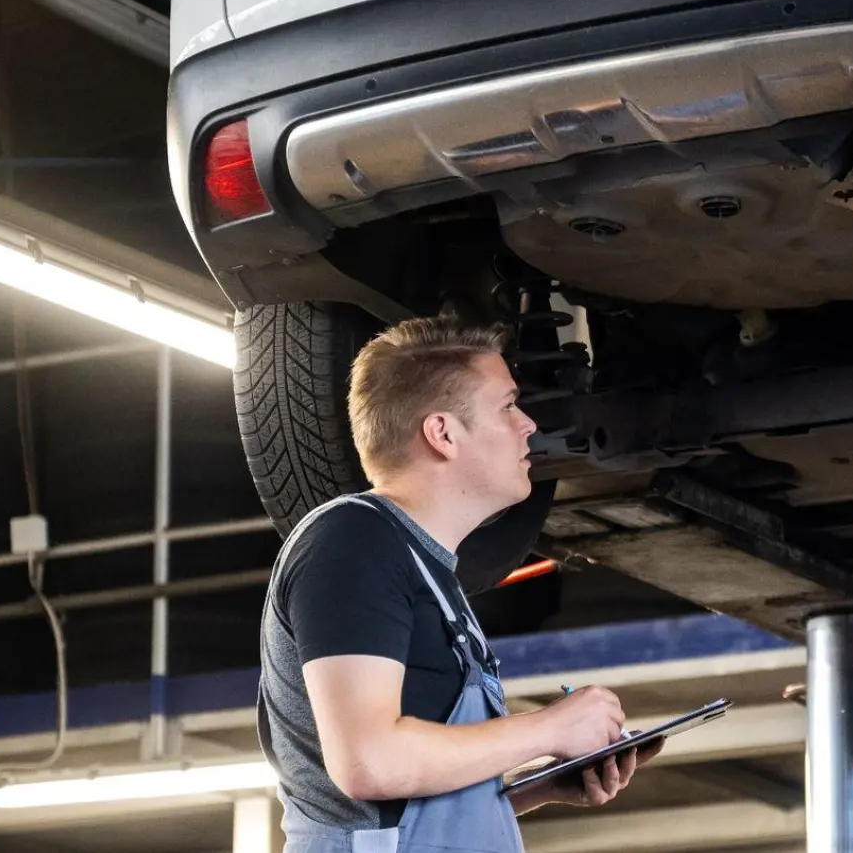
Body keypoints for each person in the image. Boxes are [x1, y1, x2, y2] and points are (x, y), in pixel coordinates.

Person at [256, 316, 660, 853]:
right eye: (508, 406)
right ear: (443, 433)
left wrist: (535, 784)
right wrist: (549, 728)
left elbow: (397, 811)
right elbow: (368, 762)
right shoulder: (352, 541)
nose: (529, 425)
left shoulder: (424, 568)